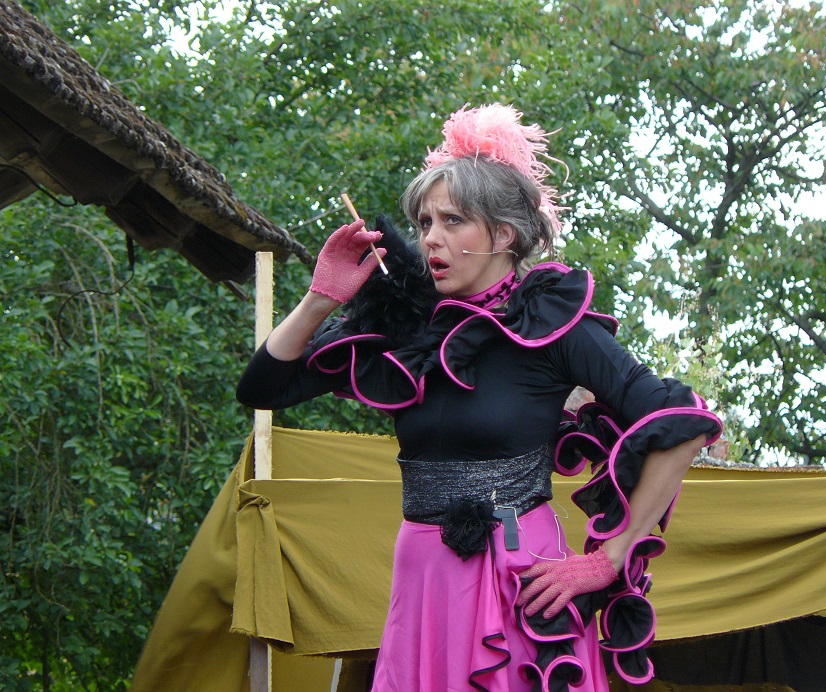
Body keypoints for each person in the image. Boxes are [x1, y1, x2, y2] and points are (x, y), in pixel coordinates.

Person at [236, 104, 722, 691]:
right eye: (424, 222)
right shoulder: (407, 328)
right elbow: (262, 389)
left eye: (453, 220)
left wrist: (608, 558)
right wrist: (321, 298)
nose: (430, 238)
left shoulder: (554, 325)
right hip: (423, 579)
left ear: (503, 234)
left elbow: (685, 422)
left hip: (522, 581)